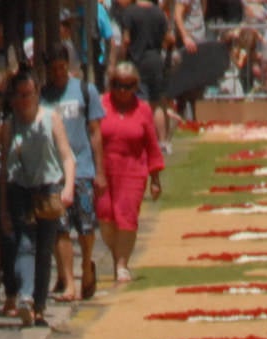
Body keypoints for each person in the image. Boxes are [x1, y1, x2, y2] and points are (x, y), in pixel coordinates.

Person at [0, 71, 78, 329]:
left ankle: (40, 305)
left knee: (44, 248)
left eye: (29, 94)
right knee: (24, 243)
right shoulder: (9, 125)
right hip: (20, 188)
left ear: (37, 94)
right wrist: (1, 206)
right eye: (19, 95)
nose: (24, 100)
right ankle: (25, 296)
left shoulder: (50, 118)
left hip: (48, 188)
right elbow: (3, 170)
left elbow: (67, 156)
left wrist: (68, 187)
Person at [41, 46, 105, 303]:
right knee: (61, 228)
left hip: (83, 170)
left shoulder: (85, 91)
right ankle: (68, 281)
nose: (58, 73)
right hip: (54, 173)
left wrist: (100, 171)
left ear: (68, 65)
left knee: (86, 226)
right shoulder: (43, 97)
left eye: (61, 67)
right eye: (53, 69)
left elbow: (95, 132)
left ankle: (87, 265)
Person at [97, 62, 164, 285]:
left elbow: (152, 145)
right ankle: (118, 255)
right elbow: (92, 136)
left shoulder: (143, 109)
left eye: (128, 86)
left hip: (132, 171)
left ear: (136, 86)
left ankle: (122, 264)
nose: (122, 91)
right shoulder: (101, 104)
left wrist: (155, 179)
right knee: (105, 217)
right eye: (117, 85)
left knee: (126, 217)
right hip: (104, 170)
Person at [115, 0, 173, 139]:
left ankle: (145, 138)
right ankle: (163, 141)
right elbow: (170, 39)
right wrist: (167, 55)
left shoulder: (129, 12)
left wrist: (120, 59)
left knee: (142, 102)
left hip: (137, 61)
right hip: (155, 60)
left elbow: (126, 40)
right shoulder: (159, 13)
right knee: (157, 104)